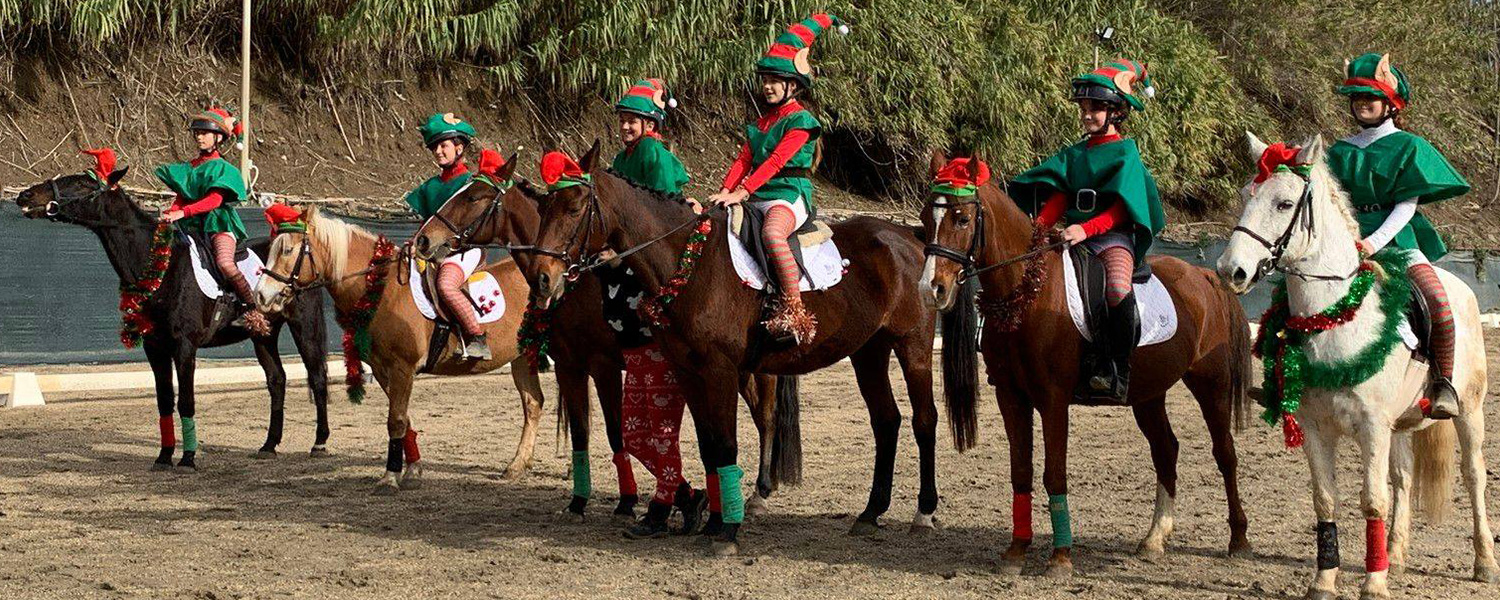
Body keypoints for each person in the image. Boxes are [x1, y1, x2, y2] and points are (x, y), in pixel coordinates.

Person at [1010, 59, 1167, 404]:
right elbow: (1061, 194)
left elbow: (1124, 207)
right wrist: (1039, 229)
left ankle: (1116, 367)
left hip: (1113, 237)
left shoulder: (1126, 153)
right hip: (1073, 233)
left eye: (1095, 108)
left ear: (1116, 112)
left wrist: (1087, 228)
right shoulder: (1075, 153)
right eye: (1084, 107)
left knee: (1116, 289)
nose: (1086, 114)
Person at [1325, 53, 1470, 420]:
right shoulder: (1340, 150)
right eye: (1356, 98)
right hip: (1345, 240)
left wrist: (1372, 244)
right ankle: (1285, 381)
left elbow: (1406, 207)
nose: (1361, 104)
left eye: (1369, 97)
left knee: (1437, 300)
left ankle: (1443, 383)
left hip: (1396, 239)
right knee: (1293, 294)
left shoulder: (1407, 146)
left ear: (1390, 103)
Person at [707, 13, 848, 344]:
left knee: (772, 233)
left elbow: (774, 162)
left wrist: (741, 192)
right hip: (755, 193)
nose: (767, 86)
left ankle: (793, 309)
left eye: (775, 79)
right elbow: (744, 158)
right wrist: (725, 190)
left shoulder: (801, 121)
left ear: (794, 85)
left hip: (788, 195)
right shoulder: (760, 123)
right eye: (766, 79)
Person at [155, 106, 266, 335]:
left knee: (225, 263)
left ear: (218, 138)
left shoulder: (224, 169)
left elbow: (214, 201)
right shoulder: (189, 168)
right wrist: (170, 212)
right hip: (191, 227)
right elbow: (181, 198)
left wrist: (182, 213)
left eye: (204, 133)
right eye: (197, 133)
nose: (199, 136)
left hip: (219, 224)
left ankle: (251, 308)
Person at [405, 112, 490, 360]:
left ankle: (477, 337)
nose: (438, 152)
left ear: (459, 147)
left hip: (463, 250)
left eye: (444, 146)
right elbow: (426, 223)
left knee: (445, 285)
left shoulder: (471, 183)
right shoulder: (429, 187)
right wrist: (414, 241)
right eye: (435, 148)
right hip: (433, 249)